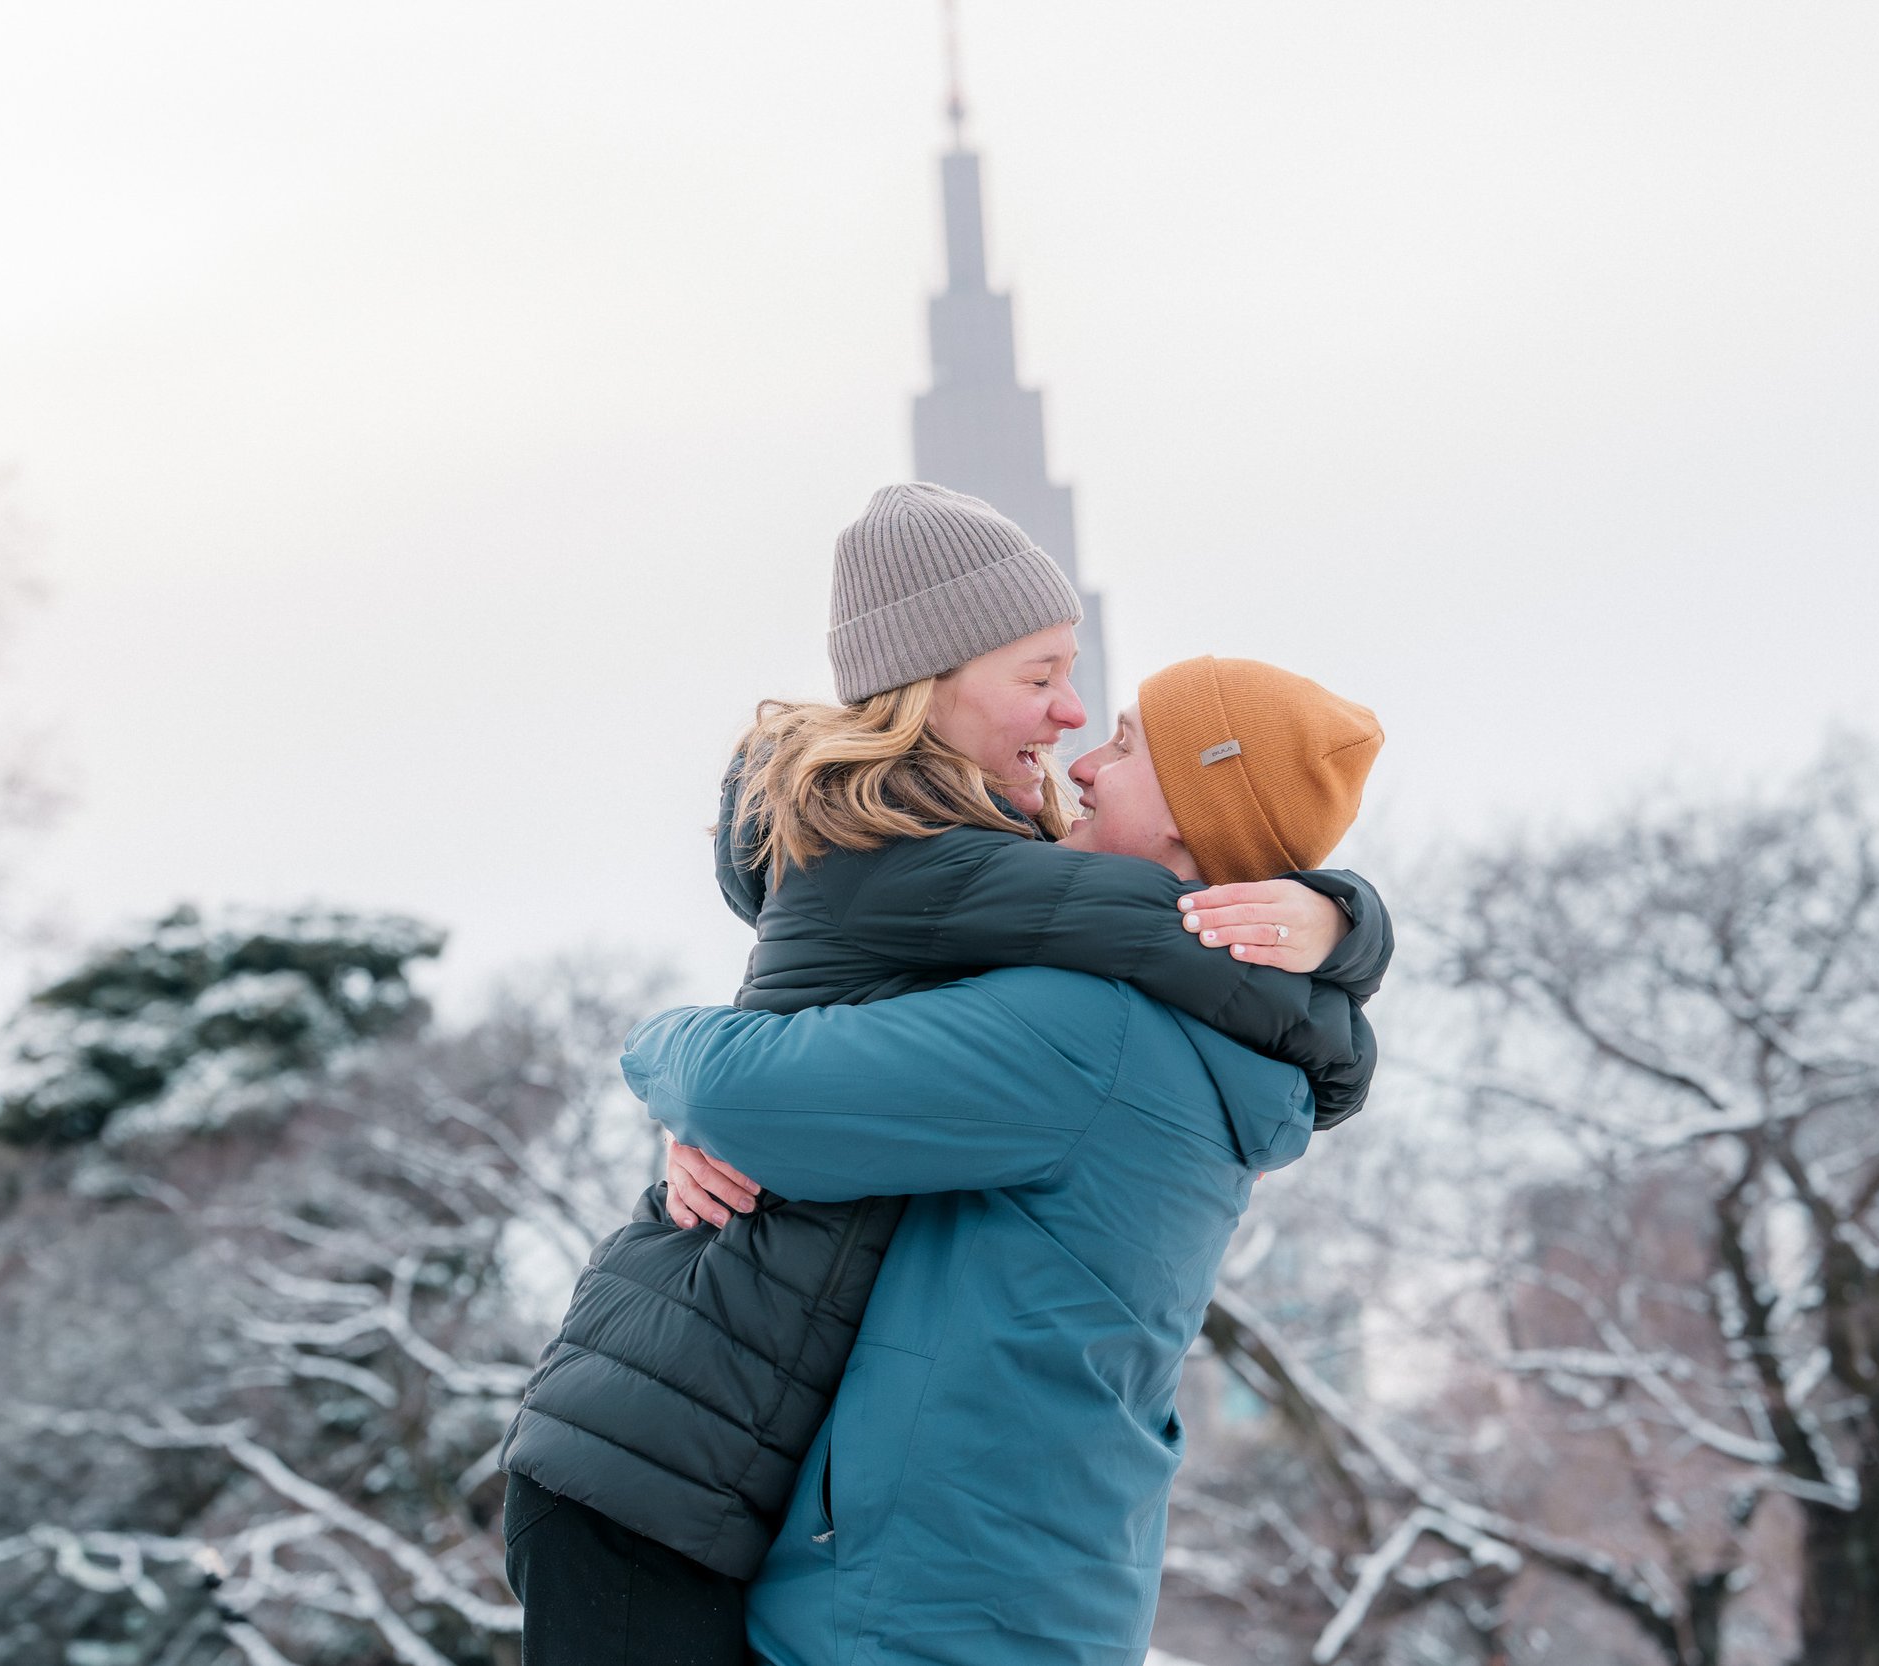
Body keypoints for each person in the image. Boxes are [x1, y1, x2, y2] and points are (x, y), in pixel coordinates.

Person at [498, 483, 1390, 1665]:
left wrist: (672, 1053)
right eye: (1044, 679)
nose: (1076, 733)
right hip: (662, 1461)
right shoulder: (999, 909)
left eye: (1120, 743)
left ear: (1189, 823)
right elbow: (776, 1074)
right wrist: (1344, 933)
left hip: (728, 1477)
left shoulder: (1086, 1017)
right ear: (936, 677)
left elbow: (754, 1086)